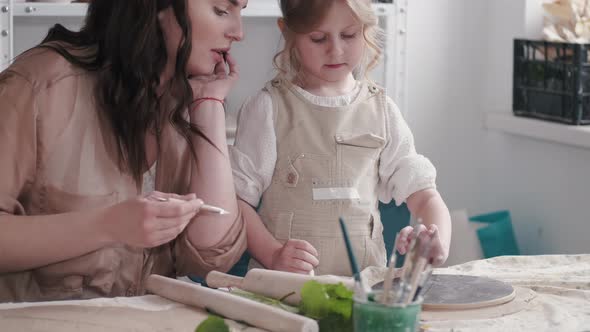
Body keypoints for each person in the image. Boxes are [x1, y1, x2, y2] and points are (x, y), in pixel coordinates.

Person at [0, 0, 251, 302]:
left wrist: (209, 104)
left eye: (242, 11)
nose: (239, 33)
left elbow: (213, 254)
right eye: (222, 10)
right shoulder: (42, 83)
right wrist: (109, 225)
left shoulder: (186, 99)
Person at [231, 0, 452, 276]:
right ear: (287, 32)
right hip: (285, 291)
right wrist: (273, 254)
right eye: (318, 38)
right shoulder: (267, 108)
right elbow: (238, 201)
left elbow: (424, 194)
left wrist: (436, 240)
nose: (335, 50)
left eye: (349, 35)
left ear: (366, 29)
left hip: (364, 294)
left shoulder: (382, 110)